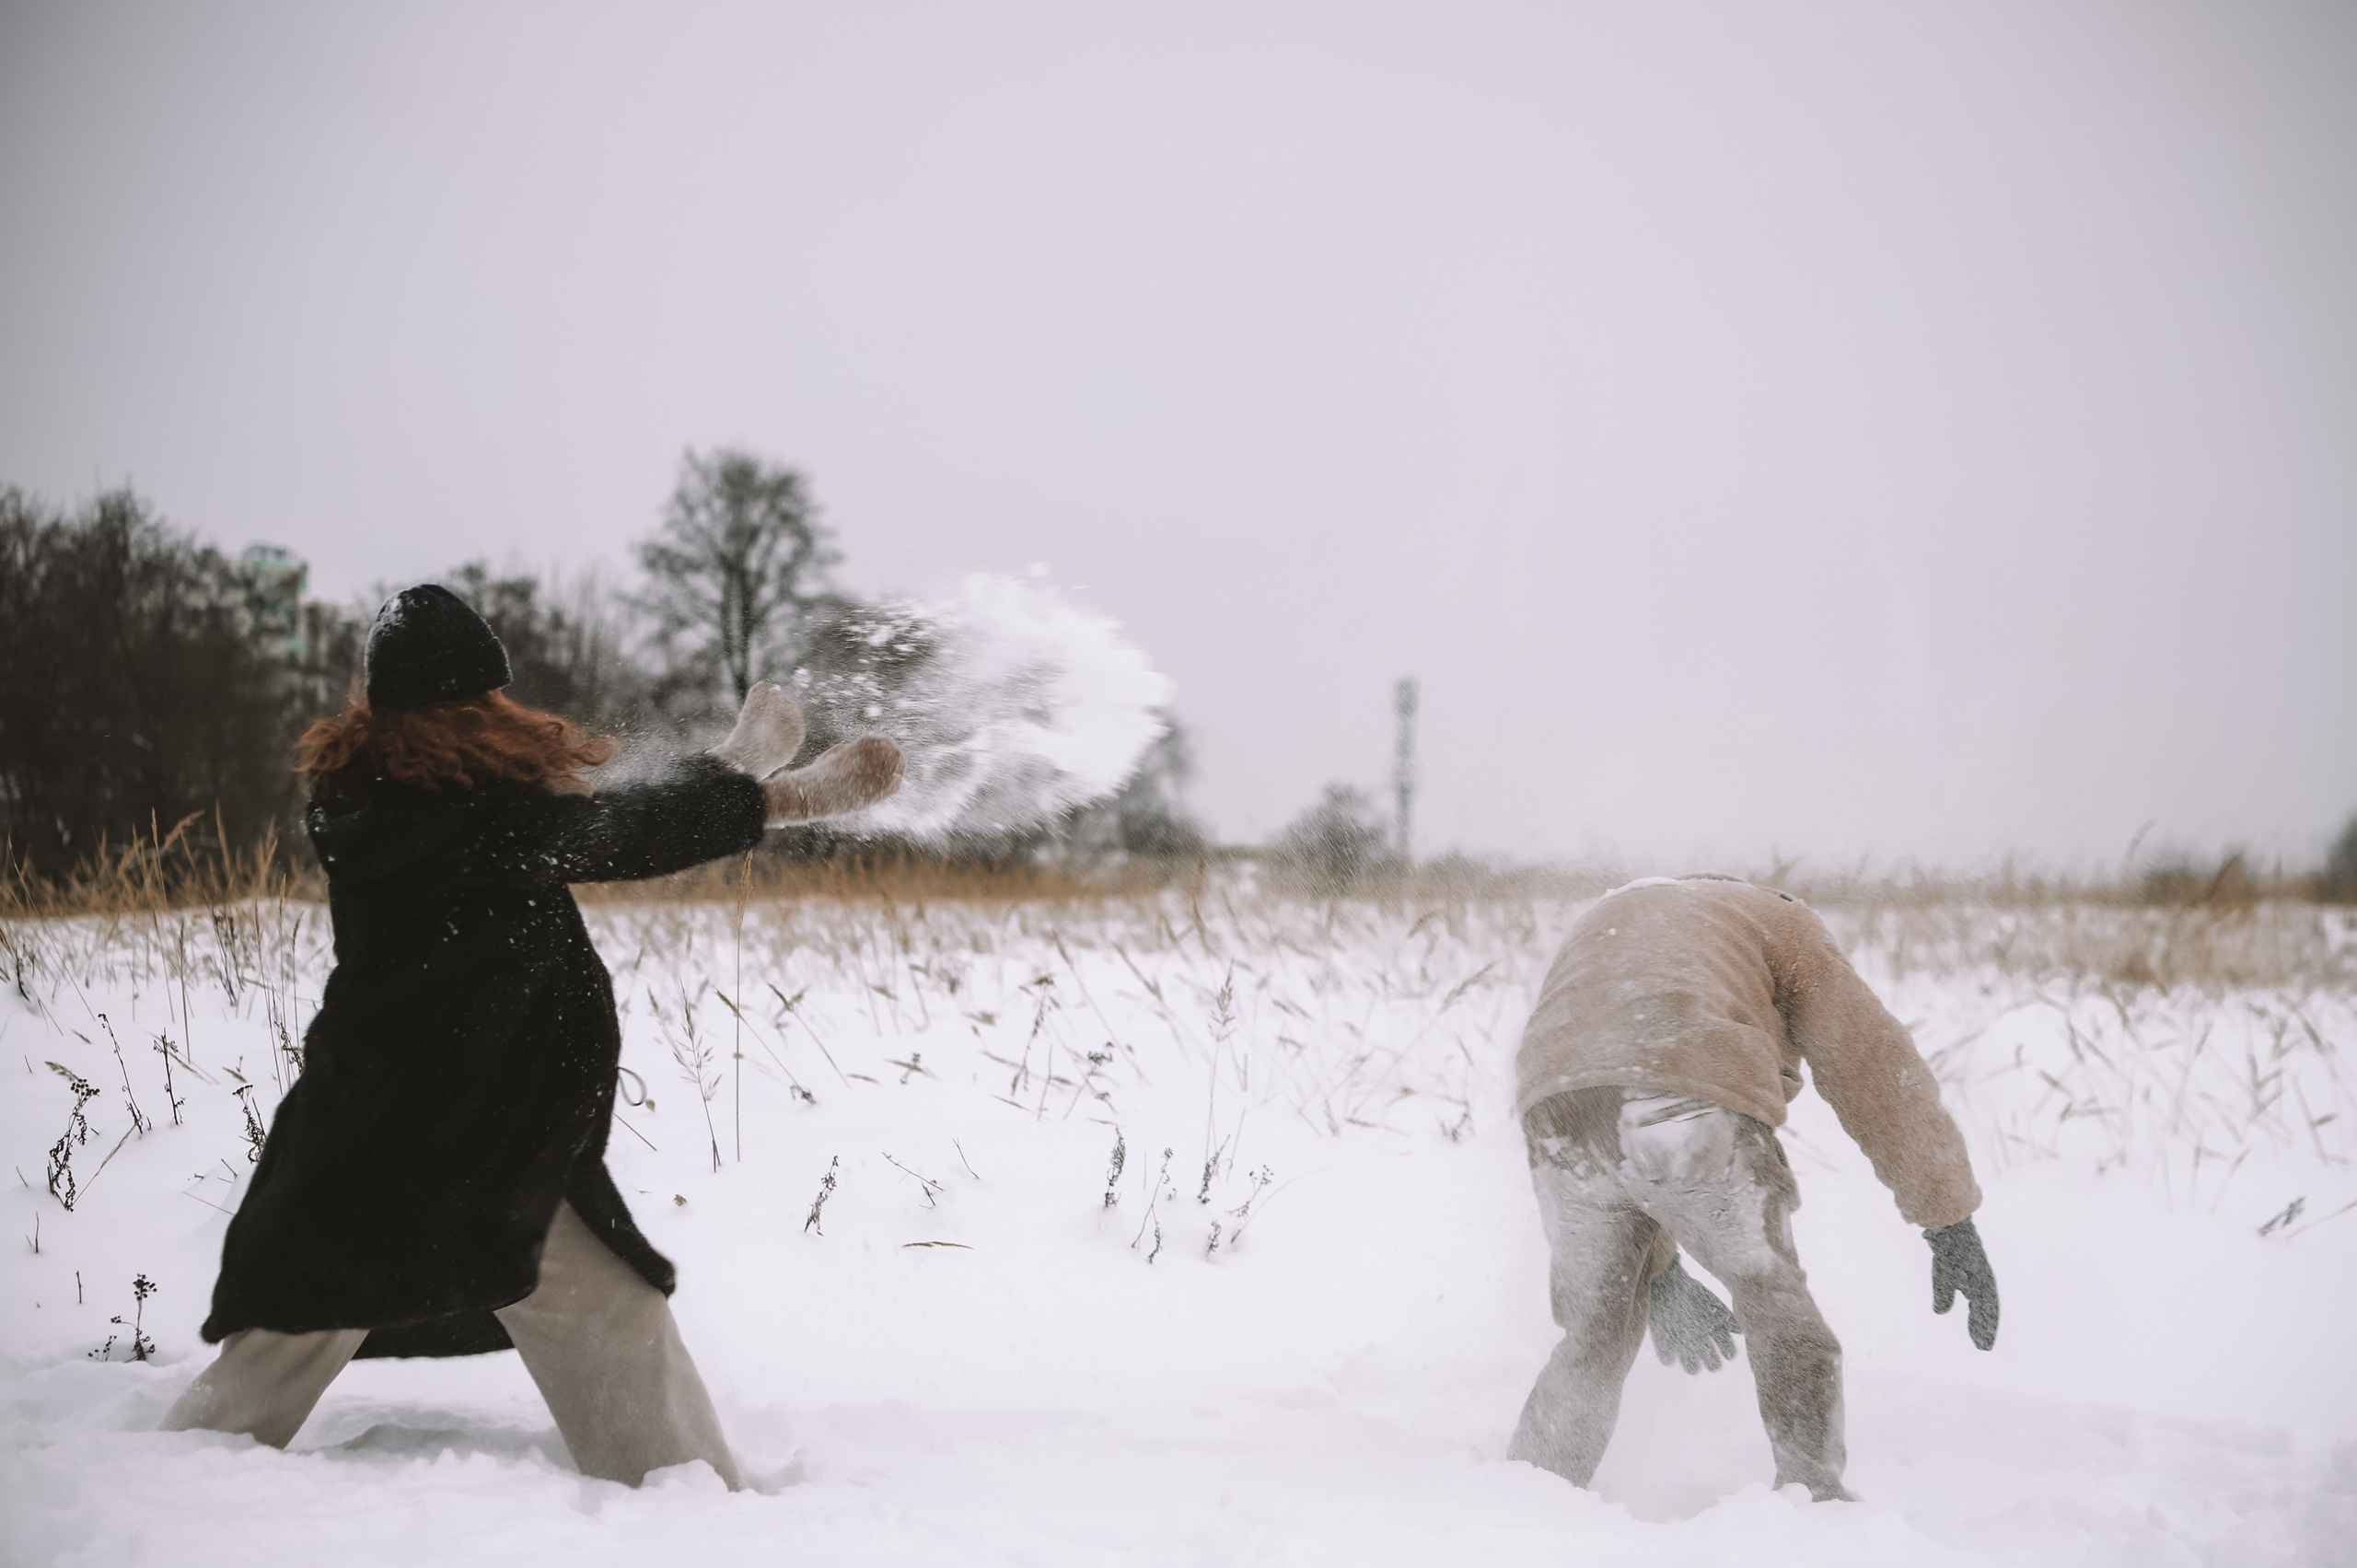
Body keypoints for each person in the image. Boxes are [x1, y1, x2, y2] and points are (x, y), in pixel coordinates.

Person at [161, 585, 902, 1488]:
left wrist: (731, 764)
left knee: (315, 1311)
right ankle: (689, 1501)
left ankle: (173, 1468)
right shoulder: (457, 821)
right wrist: (784, 795)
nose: (505, 711)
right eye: (485, 696)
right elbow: (614, 831)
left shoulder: (397, 798)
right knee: (595, 1307)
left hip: (398, 1121)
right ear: (459, 705)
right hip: (454, 1132)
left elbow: (581, 818)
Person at [1506, 874, 1998, 1501]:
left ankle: (1530, 1490)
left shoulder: (1618, 911)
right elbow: (1873, 1066)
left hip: (1554, 1105)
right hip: (1691, 1088)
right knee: (1773, 1300)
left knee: (1593, 1334)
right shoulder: (1789, 929)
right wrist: (1947, 1214)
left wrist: (1656, 1273)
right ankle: (1813, 1493)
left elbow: (1615, 1085)